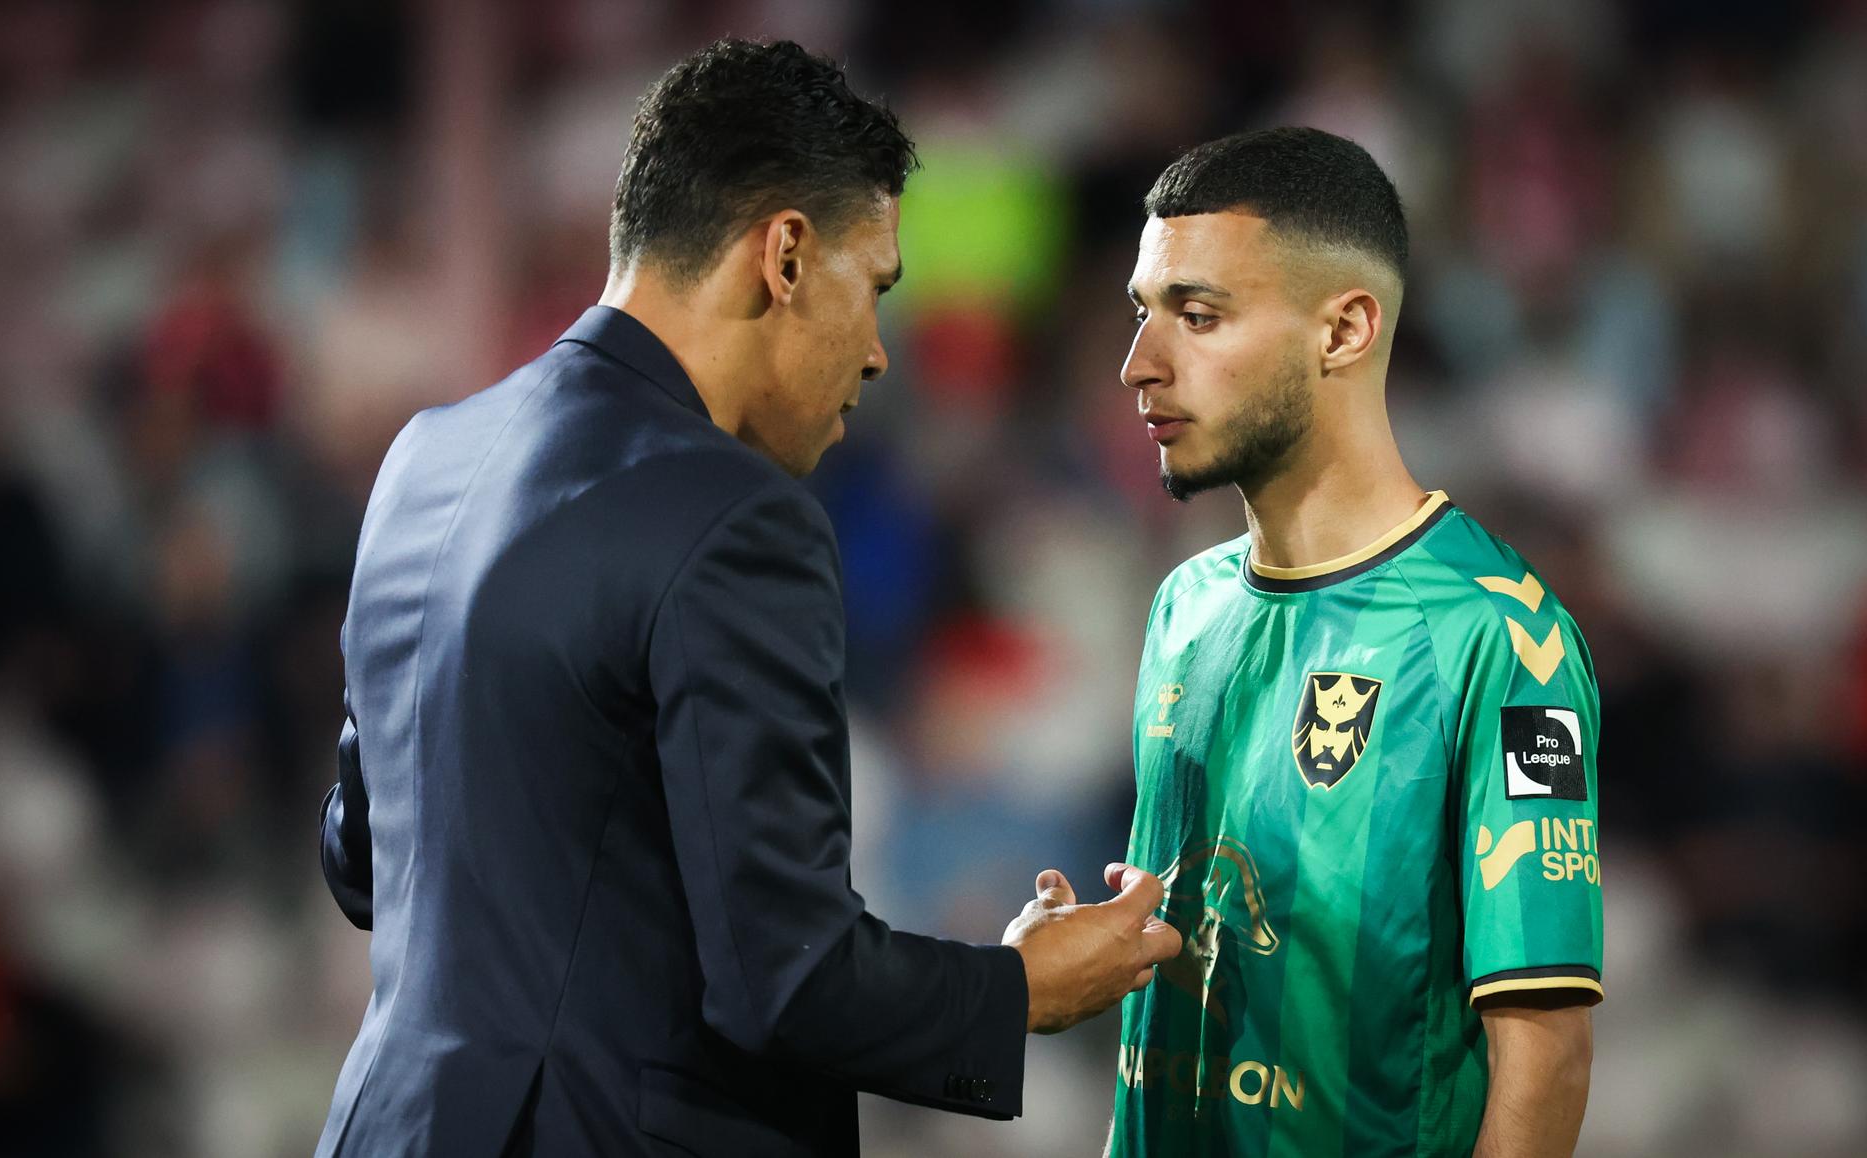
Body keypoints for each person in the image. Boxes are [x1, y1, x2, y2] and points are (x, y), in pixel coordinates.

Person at [313, 38, 1179, 1158]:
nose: (877, 352)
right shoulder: (736, 518)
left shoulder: (425, 459)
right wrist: (1016, 990)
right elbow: (788, 979)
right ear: (783, 255)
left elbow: (365, 860)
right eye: (873, 288)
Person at [1109, 128, 1601, 1156]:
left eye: (1197, 316)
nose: (1138, 365)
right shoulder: (1184, 606)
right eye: (1142, 314)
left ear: (1344, 331)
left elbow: (1545, 1056)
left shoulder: (1499, 635)